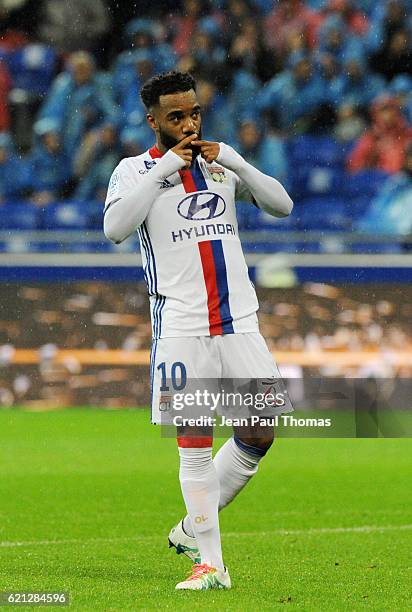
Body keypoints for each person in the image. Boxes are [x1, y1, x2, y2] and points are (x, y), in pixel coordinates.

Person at [103, 71, 293, 591]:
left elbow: (282, 205)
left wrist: (231, 158)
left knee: (259, 433)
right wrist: (165, 168)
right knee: (194, 446)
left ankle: (192, 528)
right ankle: (212, 565)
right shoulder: (132, 170)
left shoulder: (220, 168)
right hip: (182, 329)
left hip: (239, 324)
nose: (188, 124)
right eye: (175, 117)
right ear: (153, 121)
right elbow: (116, 229)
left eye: (194, 113)